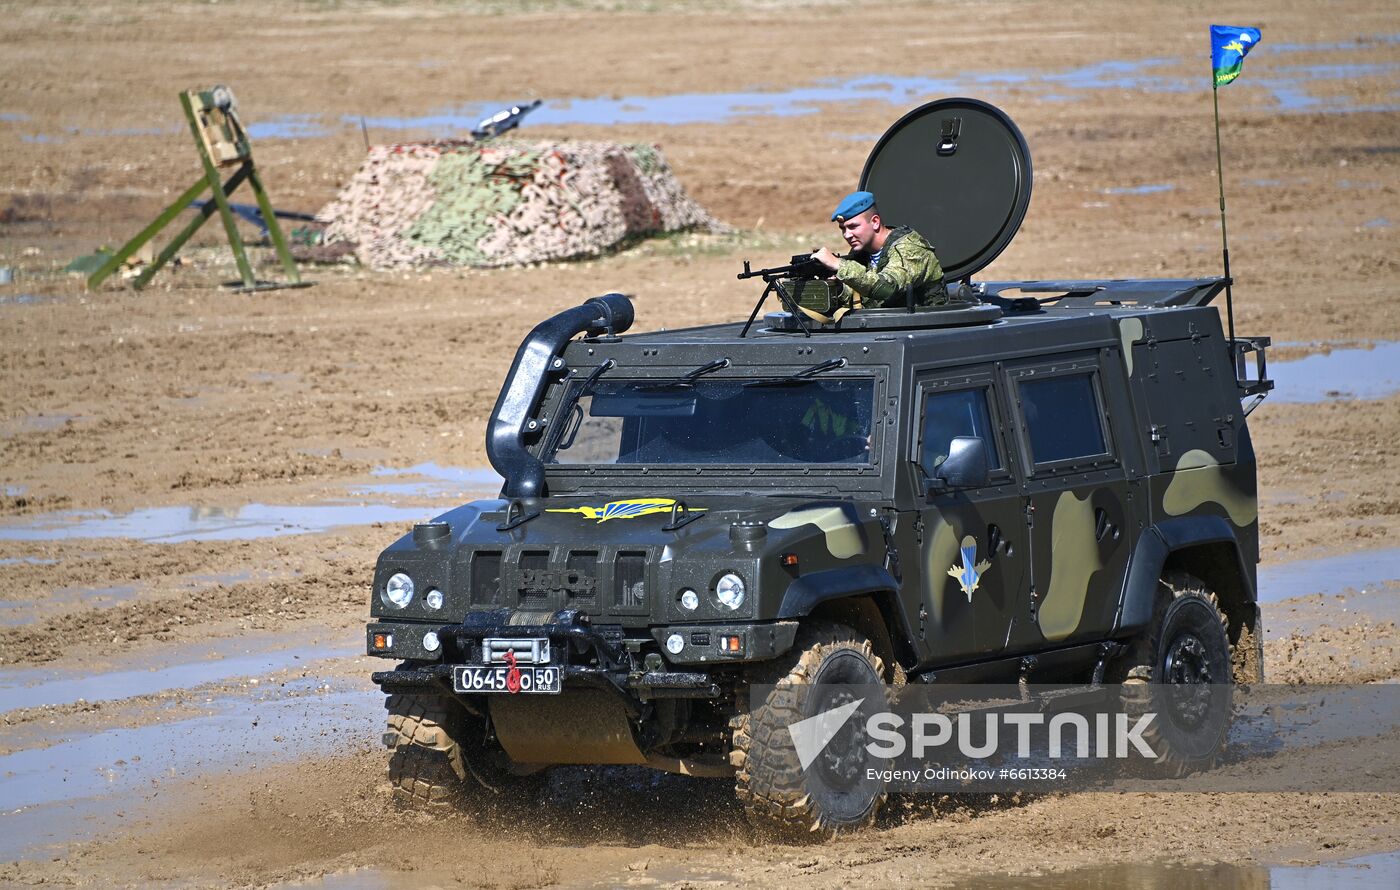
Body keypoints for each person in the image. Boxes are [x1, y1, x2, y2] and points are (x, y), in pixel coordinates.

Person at [810, 190, 950, 309]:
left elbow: (888, 288)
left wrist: (839, 265)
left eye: (853, 226)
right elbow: (862, 298)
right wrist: (838, 287)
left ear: (875, 222)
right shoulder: (861, 253)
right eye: (843, 229)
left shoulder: (909, 249)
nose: (847, 235)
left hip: (926, 329)